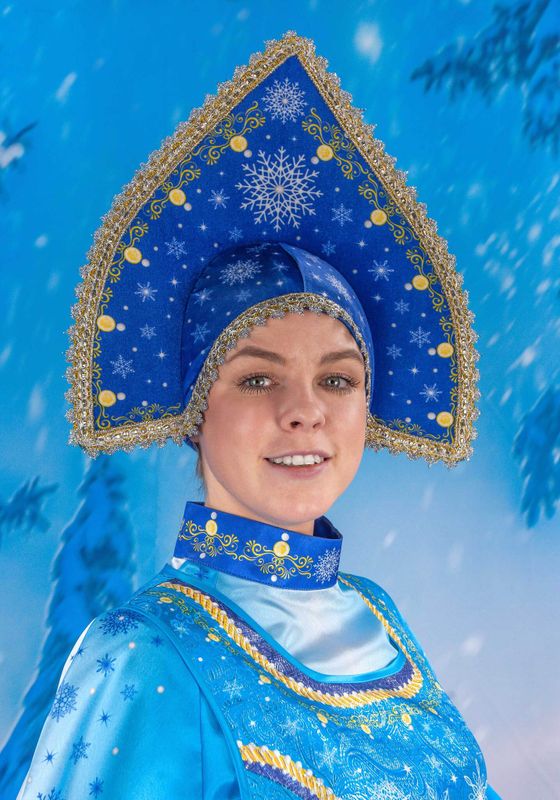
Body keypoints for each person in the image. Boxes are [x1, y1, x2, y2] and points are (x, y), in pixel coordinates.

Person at [18, 32, 502, 800]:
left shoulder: (380, 616)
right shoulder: (145, 653)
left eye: (337, 379)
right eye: (255, 379)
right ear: (192, 411)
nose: (304, 411)